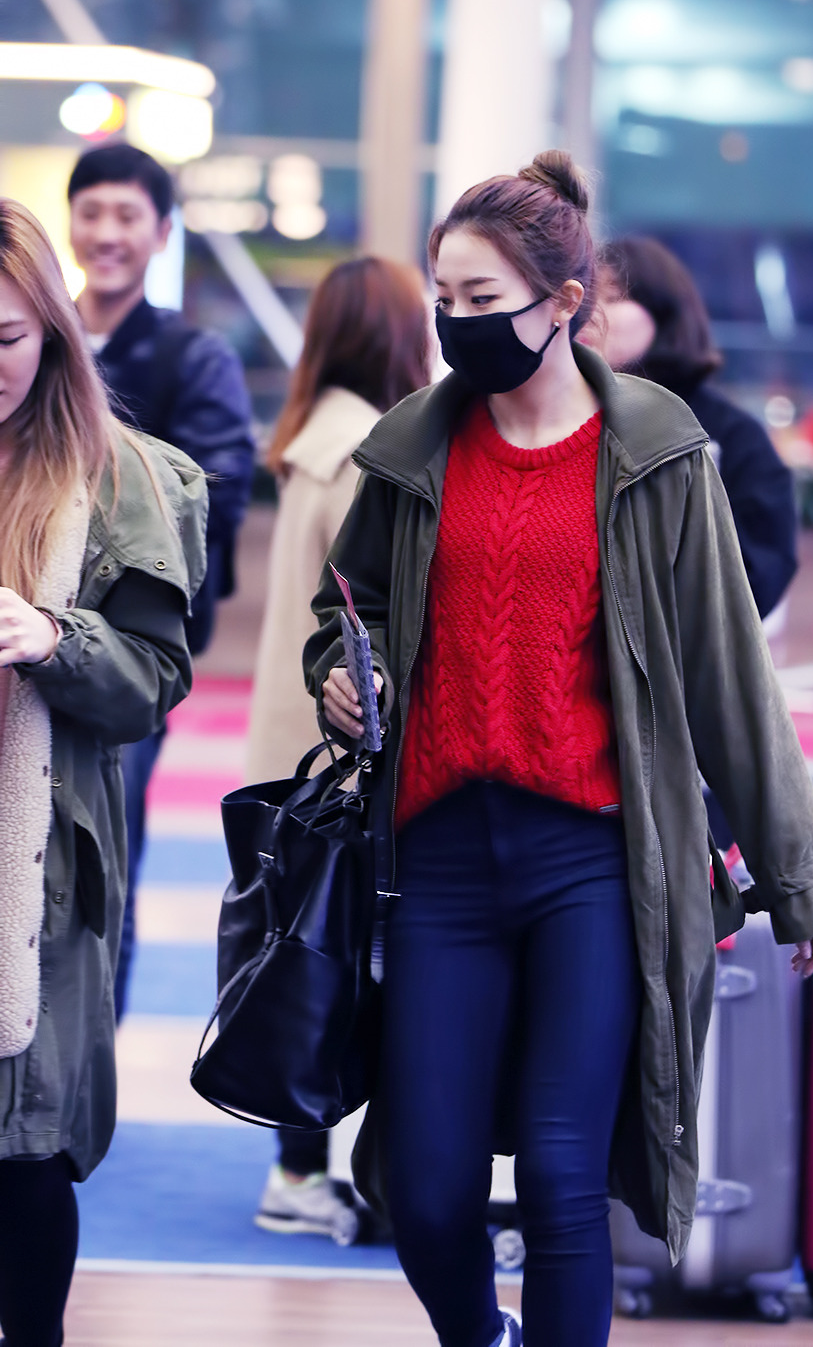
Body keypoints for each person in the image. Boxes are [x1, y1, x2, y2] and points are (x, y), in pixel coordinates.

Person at [305, 151, 813, 1347]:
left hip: (596, 867)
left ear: (566, 305)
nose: (458, 325)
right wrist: (345, 681)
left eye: (484, 302)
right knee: (429, 1193)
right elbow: (346, 611)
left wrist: (800, 879)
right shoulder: (416, 444)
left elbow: (727, 673)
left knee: (563, 1184)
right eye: (443, 300)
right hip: (437, 858)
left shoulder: (657, 451)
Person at [0, 199, 206, 1347]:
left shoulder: (120, 476)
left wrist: (52, 638)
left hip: (43, 861)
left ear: (55, 336)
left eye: (7, 341)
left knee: (27, 1151)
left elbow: (153, 681)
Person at [246, 255, 431, 1234]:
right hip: (337, 752)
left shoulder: (305, 437)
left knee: (302, 958)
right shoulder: (370, 446)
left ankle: (296, 1167)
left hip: (282, 744)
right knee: (336, 965)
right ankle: (304, 1172)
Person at [67, 142, 256, 1020]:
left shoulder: (190, 355)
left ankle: (84, 1071)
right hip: (17, 638)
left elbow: (217, 490)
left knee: (103, 853)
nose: (106, 232)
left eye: (127, 216)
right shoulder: (36, 334)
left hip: (120, 654)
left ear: (162, 233)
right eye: (92, 211)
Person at [590, 235, 797, 622]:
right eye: (583, 299)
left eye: (613, 297)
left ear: (665, 313)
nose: (591, 315)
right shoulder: (562, 419)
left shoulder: (730, 435)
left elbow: (760, 572)